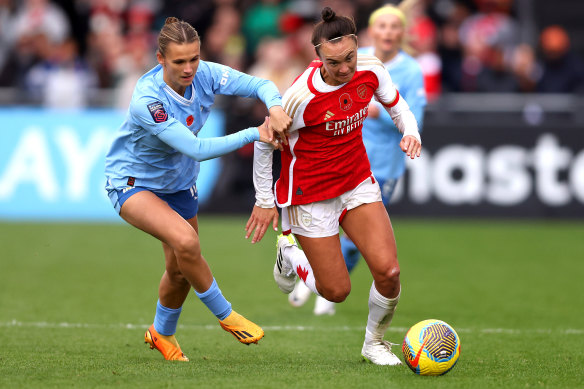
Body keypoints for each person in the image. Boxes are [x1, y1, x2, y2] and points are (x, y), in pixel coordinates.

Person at [104, 17, 291, 362]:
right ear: (160, 59)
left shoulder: (204, 72)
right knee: (187, 244)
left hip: (179, 184)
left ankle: (161, 333)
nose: (190, 68)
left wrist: (275, 107)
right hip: (133, 184)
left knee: (180, 269)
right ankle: (226, 315)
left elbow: (259, 84)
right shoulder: (148, 100)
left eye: (194, 58)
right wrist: (256, 132)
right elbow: (196, 149)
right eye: (179, 62)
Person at [245, 7, 422, 366]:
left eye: (350, 58)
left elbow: (397, 104)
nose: (344, 69)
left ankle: (374, 344)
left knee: (389, 273)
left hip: (356, 182)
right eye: (334, 62)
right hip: (309, 195)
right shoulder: (299, 96)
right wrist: (265, 199)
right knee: (336, 291)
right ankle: (292, 256)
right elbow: (265, 142)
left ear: (358, 45)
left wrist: (410, 131)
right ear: (318, 57)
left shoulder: (371, 68)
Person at [287, 2, 427, 316]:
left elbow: (410, 113)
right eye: (383, 26)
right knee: (332, 238)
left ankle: (329, 289)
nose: (388, 32)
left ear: (402, 33)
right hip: (337, 162)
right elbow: (274, 137)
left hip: (381, 164)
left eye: (395, 26)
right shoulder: (317, 84)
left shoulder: (404, 69)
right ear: (372, 32)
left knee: (359, 242)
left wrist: (405, 128)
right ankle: (317, 275)